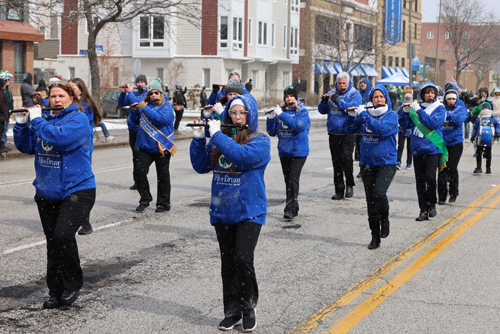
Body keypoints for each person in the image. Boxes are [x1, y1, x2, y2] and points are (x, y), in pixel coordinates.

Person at [190, 94, 270, 332]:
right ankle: (232, 311)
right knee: (228, 264)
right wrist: (198, 139)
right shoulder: (220, 137)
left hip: (250, 211)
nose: (237, 117)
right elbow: (202, 166)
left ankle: (248, 307)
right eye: (233, 113)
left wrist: (216, 135)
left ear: (250, 115)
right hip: (223, 210)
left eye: (242, 113)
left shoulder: (261, 140)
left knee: (242, 259)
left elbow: (241, 157)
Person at [13, 83, 96, 309]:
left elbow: (60, 139)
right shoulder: (46, 120)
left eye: (61, 96)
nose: (57, 100)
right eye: (53, 96)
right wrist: (21, 125)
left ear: (71, 98)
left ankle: (72, 284)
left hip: (77, 190)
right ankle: (55, 290)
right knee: (53, 243)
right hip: (47, 192)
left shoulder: (77, 120)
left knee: (62, 236)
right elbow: (27, 146)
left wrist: (37, 120)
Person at [346, 85, 397, 249]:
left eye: (381, 97)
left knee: (379, 193)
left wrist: (364, 116)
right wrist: (351, 116)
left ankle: (385, 219)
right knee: (371, 202)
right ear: (371, 100)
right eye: (375, 97)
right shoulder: (364, 114)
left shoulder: (391, 116)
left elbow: (381, 130)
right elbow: (350, 129)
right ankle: (375, 236)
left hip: (386, 163)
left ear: (386, 99)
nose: (379, 100)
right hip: (367, 164)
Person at [398, 82, 446, 221]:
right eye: (427, 92)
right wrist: (405, 112)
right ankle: (422, 209)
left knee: (430, 178)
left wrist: (418, 110)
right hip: (418, 149)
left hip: (433, 148)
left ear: (435, 94)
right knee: (420, 181)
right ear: (422, 94)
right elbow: (405, 125)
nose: (430, 94)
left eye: (432, 92)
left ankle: (432, 204)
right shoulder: (415, 107)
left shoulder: (439, 108)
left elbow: (432, 123)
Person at [130, 79, 176, 213]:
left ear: (161, 93)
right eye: (151, 93)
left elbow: (159, 120)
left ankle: (163, 203)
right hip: (146, 147)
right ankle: (145, 198)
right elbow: (134, 122)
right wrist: (134, 111)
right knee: (139, 172)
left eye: (156, 92)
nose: (153, 95)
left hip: (162, 146)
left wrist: (143, 108)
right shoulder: (147, 105)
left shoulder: (167, 106)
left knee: (163, 176)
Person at [267, 85, 309, 220]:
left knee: (292, 179)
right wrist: (271, 118)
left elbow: (297, 126)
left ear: (295, 98)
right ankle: (294, 206)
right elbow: (272, 132)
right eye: (286, 96)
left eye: (291, 96)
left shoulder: (302, 112)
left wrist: (281, 114)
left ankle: (289, 209)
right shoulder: (281, 112)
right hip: (284, 151)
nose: (289, 98)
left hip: (298, 152)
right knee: (288, 181)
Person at [67, 78, 103, 235]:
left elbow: (83, 131)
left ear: (80, 90)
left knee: (80, 186)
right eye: (68, 88)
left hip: (81, 149)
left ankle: (85, 223)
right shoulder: (71, 103)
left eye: (73, 88)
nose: (70, 91)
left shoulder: (85, 105)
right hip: (71, 148)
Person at [318, 72, 362, 200]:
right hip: (333, 131)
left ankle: (349, 184)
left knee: (346, 158)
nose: (341, 86)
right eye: (339, 83)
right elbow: (322, 111)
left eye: (344, 83)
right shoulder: (332, 93)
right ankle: (339, 189)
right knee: (336, 161)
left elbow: (354, 108)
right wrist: (324, 101)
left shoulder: (354, 93)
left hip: (348, 131)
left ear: (348, 83)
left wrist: (339, 102)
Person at [118, 74, 148, 190]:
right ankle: (137, 181)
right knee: (135, 156)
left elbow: (138, 105)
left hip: (142, 129)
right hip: (132, 128)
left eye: (142, 82)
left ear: (145, 83)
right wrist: (123, 92)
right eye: (138, 82)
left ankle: (142, 177)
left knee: (140, 154)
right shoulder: (133, 94)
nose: (139, 84)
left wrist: (129, 93)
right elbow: (121, 104)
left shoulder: (147, 95)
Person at [438, 89, 468, 204]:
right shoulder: (441, 108)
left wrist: (447, 115)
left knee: (451, 167)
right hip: (442, 143)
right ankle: (441, 196)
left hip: (456, 143)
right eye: (449, 99)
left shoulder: (460, 108)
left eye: (453, 99)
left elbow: (458, 120)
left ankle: (453, 192)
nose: (451, 101)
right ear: (445, 99)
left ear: (456, 99)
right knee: (442, 169)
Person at [470, 103, 500, 174]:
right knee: (481, 153)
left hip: (485, 139)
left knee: (484, 153)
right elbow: (474, 128)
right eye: (483, 108)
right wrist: (472, 137)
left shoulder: (487, 117)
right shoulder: (483, 117)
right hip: (483, 138)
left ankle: (485, 168)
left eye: (486, 108)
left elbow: (497, 125)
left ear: (489, 109)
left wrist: (497, 132)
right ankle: (482, 168)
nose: (485, 109)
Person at [396, 89, 414, 170]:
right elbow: (398, 117)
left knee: (410, 148)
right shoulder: (400, 107)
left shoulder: (413, 107)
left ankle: (409, 162)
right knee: (400, 147)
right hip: (402, 131)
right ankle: (398, 161)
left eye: (409, 98)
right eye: (406, 97)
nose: (408, 99)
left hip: (410, 131)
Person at [1, 71, 13, 152]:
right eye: (6, 80)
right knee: (2, 130)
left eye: (8, 80)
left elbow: (10, 100)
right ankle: (2, 145)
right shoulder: (2, 91)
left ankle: (3, 145)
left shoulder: (7, 90)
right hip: (3, 114)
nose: (8, 81)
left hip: (7, 113)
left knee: (4, 130)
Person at [0, 78, 8, 153]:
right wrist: (4, 111)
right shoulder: (0, 93)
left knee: (1, 132)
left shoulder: (2, 92)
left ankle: (2, 146)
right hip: (1, 117)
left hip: (2, 116)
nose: (5, 85)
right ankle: (1, 148)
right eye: (4, 84)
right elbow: (1, 104)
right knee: (1, 132)